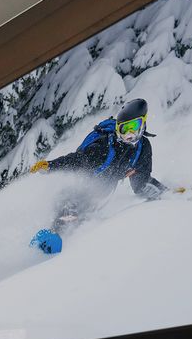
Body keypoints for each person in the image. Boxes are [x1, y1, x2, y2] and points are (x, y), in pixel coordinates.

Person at [27, 97, 167, 248]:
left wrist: (167, 193)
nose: (129, 133)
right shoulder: (103, 146)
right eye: (124, 129)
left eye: (134, 126)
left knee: (81, 230)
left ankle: (67, 250)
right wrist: (50, 166)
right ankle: (45, 247)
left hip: (100, 198)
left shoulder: (142, 149)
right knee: (67, 217)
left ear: (143, 123)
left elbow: (141, 185)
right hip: (76, 191)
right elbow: (76, 161)